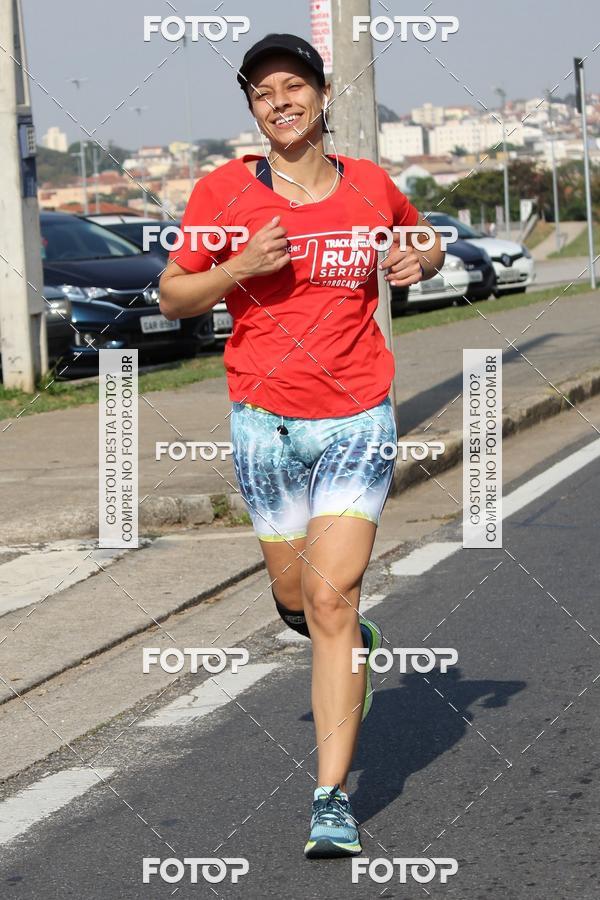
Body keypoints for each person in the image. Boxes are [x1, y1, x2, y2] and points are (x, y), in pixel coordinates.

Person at [159, 32, 444, 859]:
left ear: (323, 96)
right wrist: (237, 267)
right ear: (253, 109)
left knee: (332, 601)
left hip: (358, 414)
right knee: (295, 595)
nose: (278, 101)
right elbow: (177, 296)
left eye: (292, 86)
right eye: (261, 93)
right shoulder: (224, 191)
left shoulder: (370, 186)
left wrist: (419, 259)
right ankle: (325, 624)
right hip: (265, 420)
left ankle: (330, 799)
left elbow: (421, 239)